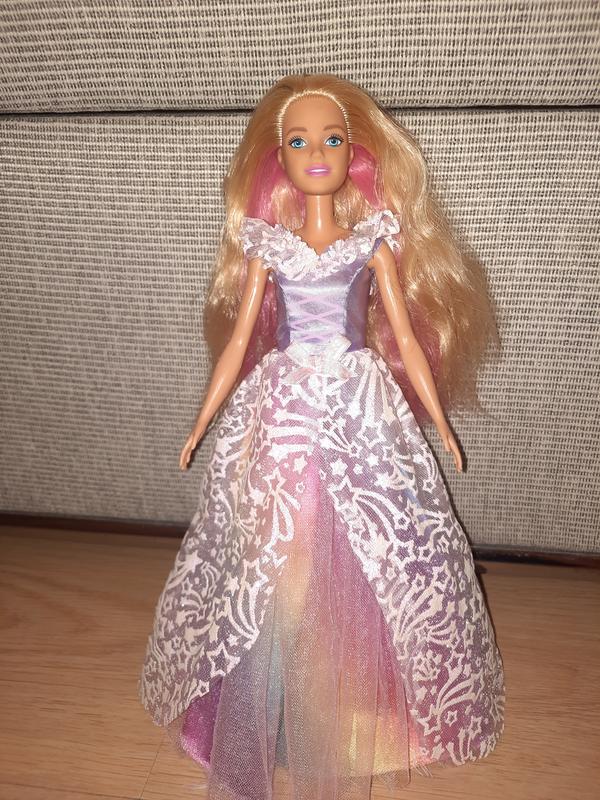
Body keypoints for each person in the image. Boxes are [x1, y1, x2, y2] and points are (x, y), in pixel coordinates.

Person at [138, 73, 505, 799]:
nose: (316, 154)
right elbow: (239, 343)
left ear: (352, 154)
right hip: (280, 406)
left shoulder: (372, 244)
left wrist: (439, 423)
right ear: (279, 156)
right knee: (280, 550)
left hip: (357, 406)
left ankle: (347, 705)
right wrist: (201, 423)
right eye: (300, 141)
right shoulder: (266, 247)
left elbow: (403, 335)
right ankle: (273, 702)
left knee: (369, 551)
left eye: (331, 139)